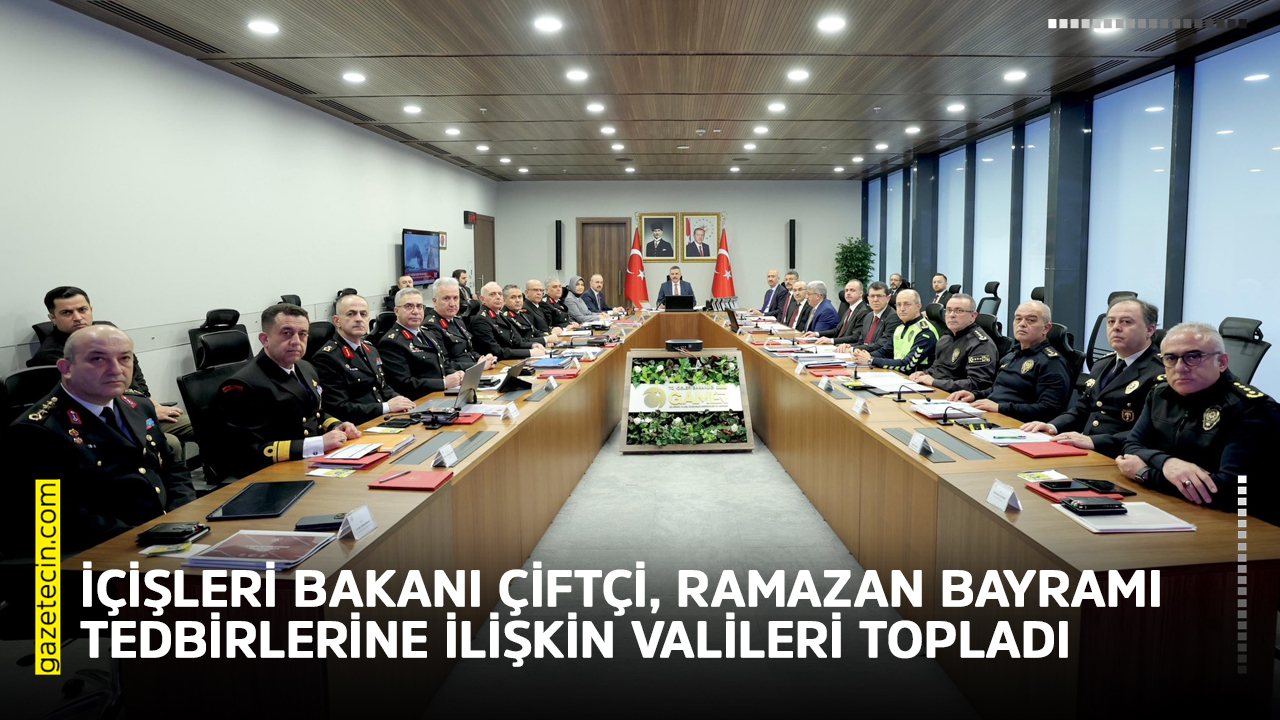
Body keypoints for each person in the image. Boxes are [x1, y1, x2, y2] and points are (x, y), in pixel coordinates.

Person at [6, 325, 195, 555]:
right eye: (98, 359)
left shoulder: (139, 405)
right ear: (66, 368)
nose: (116, 369)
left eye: (124, 358)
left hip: (166, 534)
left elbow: (173, 467)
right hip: (102, 551)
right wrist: (144, 539)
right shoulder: (37, 430)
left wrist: (182, 517)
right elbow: (58, 518)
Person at [1118, 322, 1280, 523]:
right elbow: (1132, 445)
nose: (1180, 368)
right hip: (1178, 507)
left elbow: (1228, 490)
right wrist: (1167, 463)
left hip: (1242, 524)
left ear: (1222, 362)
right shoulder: (1160, 393)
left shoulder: (1252, 409)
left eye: (1193, 357)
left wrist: (1145, 474)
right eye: (1171, 358)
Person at [30, 286, 193, 460]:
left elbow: (136, 376)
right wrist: (142, 412)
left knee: (201, 425)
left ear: (91, 310)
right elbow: (89, 400)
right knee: (171, 444)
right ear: (53, 318)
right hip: (100, 423)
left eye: (82, 310)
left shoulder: (109, 333)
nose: (77, 317)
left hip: (137, 408)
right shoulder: (51, 357)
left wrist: (149, 404)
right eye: (67, 313)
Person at [208, 303, 361, 479]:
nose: (296, 341)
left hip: (311, 462)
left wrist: (336, 425)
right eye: (287, 333)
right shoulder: (243, 385)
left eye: (302, 334)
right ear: (265, 339)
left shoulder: (305, 367)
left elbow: (314, 412)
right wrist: (318, 443)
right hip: (273, 474)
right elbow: (246, 452)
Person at [1021, 298, 1164, 456]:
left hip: (1122, 456)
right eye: (1111, 322)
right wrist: (1052, 426)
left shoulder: (1161, 372)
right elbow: (1083, 409)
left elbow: (1154, 431)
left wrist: (1095, 441)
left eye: (1126, 322)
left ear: (1150, 330)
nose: (1116, 328)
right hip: (1088, 450)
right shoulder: (1103, 364)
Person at [946, 301, 1071, 422]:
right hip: (992, 416)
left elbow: (1049, 410)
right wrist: (974, 395)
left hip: (1016, 425)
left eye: (1031, 320)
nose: (1022, 324)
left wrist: (1000, 408)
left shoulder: (1052, 363)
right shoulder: (1012, 355)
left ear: (1046, 328)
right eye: (1018, 319)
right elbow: (998, 390)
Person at [311, 294, 416, 424]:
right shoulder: (327, 357)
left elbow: (383, 387)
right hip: (359, 426)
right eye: (351, 314)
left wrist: (402, 401)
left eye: (363, 314)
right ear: (337, 321)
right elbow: (337, 408)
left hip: (383, 419)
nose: (359, 319)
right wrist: (386, 407)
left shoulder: (370, 349)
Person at [379, 288, 465, 399]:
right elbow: (404, 384)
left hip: (440, 395)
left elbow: (440, 366)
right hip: (419, 401)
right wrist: (444, 383)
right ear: (396, 311)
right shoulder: (391, 342)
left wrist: (458, 375)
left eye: (419, 306)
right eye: (408, 306)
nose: (415, 311)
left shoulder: (427, 333)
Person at [909, 294, 997, 394]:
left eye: (959, 310)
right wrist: (924, 374)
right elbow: (938, 368)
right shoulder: (946, 337)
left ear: (973, 316)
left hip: (956, 397)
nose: (952, 315)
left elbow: (977, 384)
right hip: (936, 391)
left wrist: (934, 382)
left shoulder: (980, 344)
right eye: (948, 310)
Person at [852, 289, 936, 373]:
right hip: (896, 375)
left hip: (914, 378)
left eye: (907, 304)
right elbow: (884, 352)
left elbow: (908, 365)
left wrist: (871, 360)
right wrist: (863, 355)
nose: (902, 309)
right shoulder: (900, 328)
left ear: (918, 307)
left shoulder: (926, 332)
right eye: (899, 305)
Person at [424, 278, 498, 372]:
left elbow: (469, 351)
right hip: (458, 376)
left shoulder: (457, 320)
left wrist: (483, 359)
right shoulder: (431, 326)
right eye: (446, 298)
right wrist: (478, 366)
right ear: (435, 301)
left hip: (474, 372)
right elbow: (445, 364)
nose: (452, 304)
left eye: (455, 298)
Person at [837, 282, 901, 355]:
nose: (875, 299)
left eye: (879, 296)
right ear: (868, 298)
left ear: (888, 298)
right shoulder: (868, 316)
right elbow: (861, 342)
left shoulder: (893, 317)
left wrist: (852, 349)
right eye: (872, 296)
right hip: (862, 356)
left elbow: (881, 345)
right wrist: (848, 346)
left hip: (877, 358)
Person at [809, 280, 868, 345]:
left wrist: (831, 340)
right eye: (846, 290)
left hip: (847, 347)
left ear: (861, 293)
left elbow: (855, 337)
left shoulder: (863, 312)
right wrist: (816, 334)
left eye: (852, 290)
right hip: (838, 346)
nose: (848, 293)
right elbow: (837, 330)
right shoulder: (849, 310)